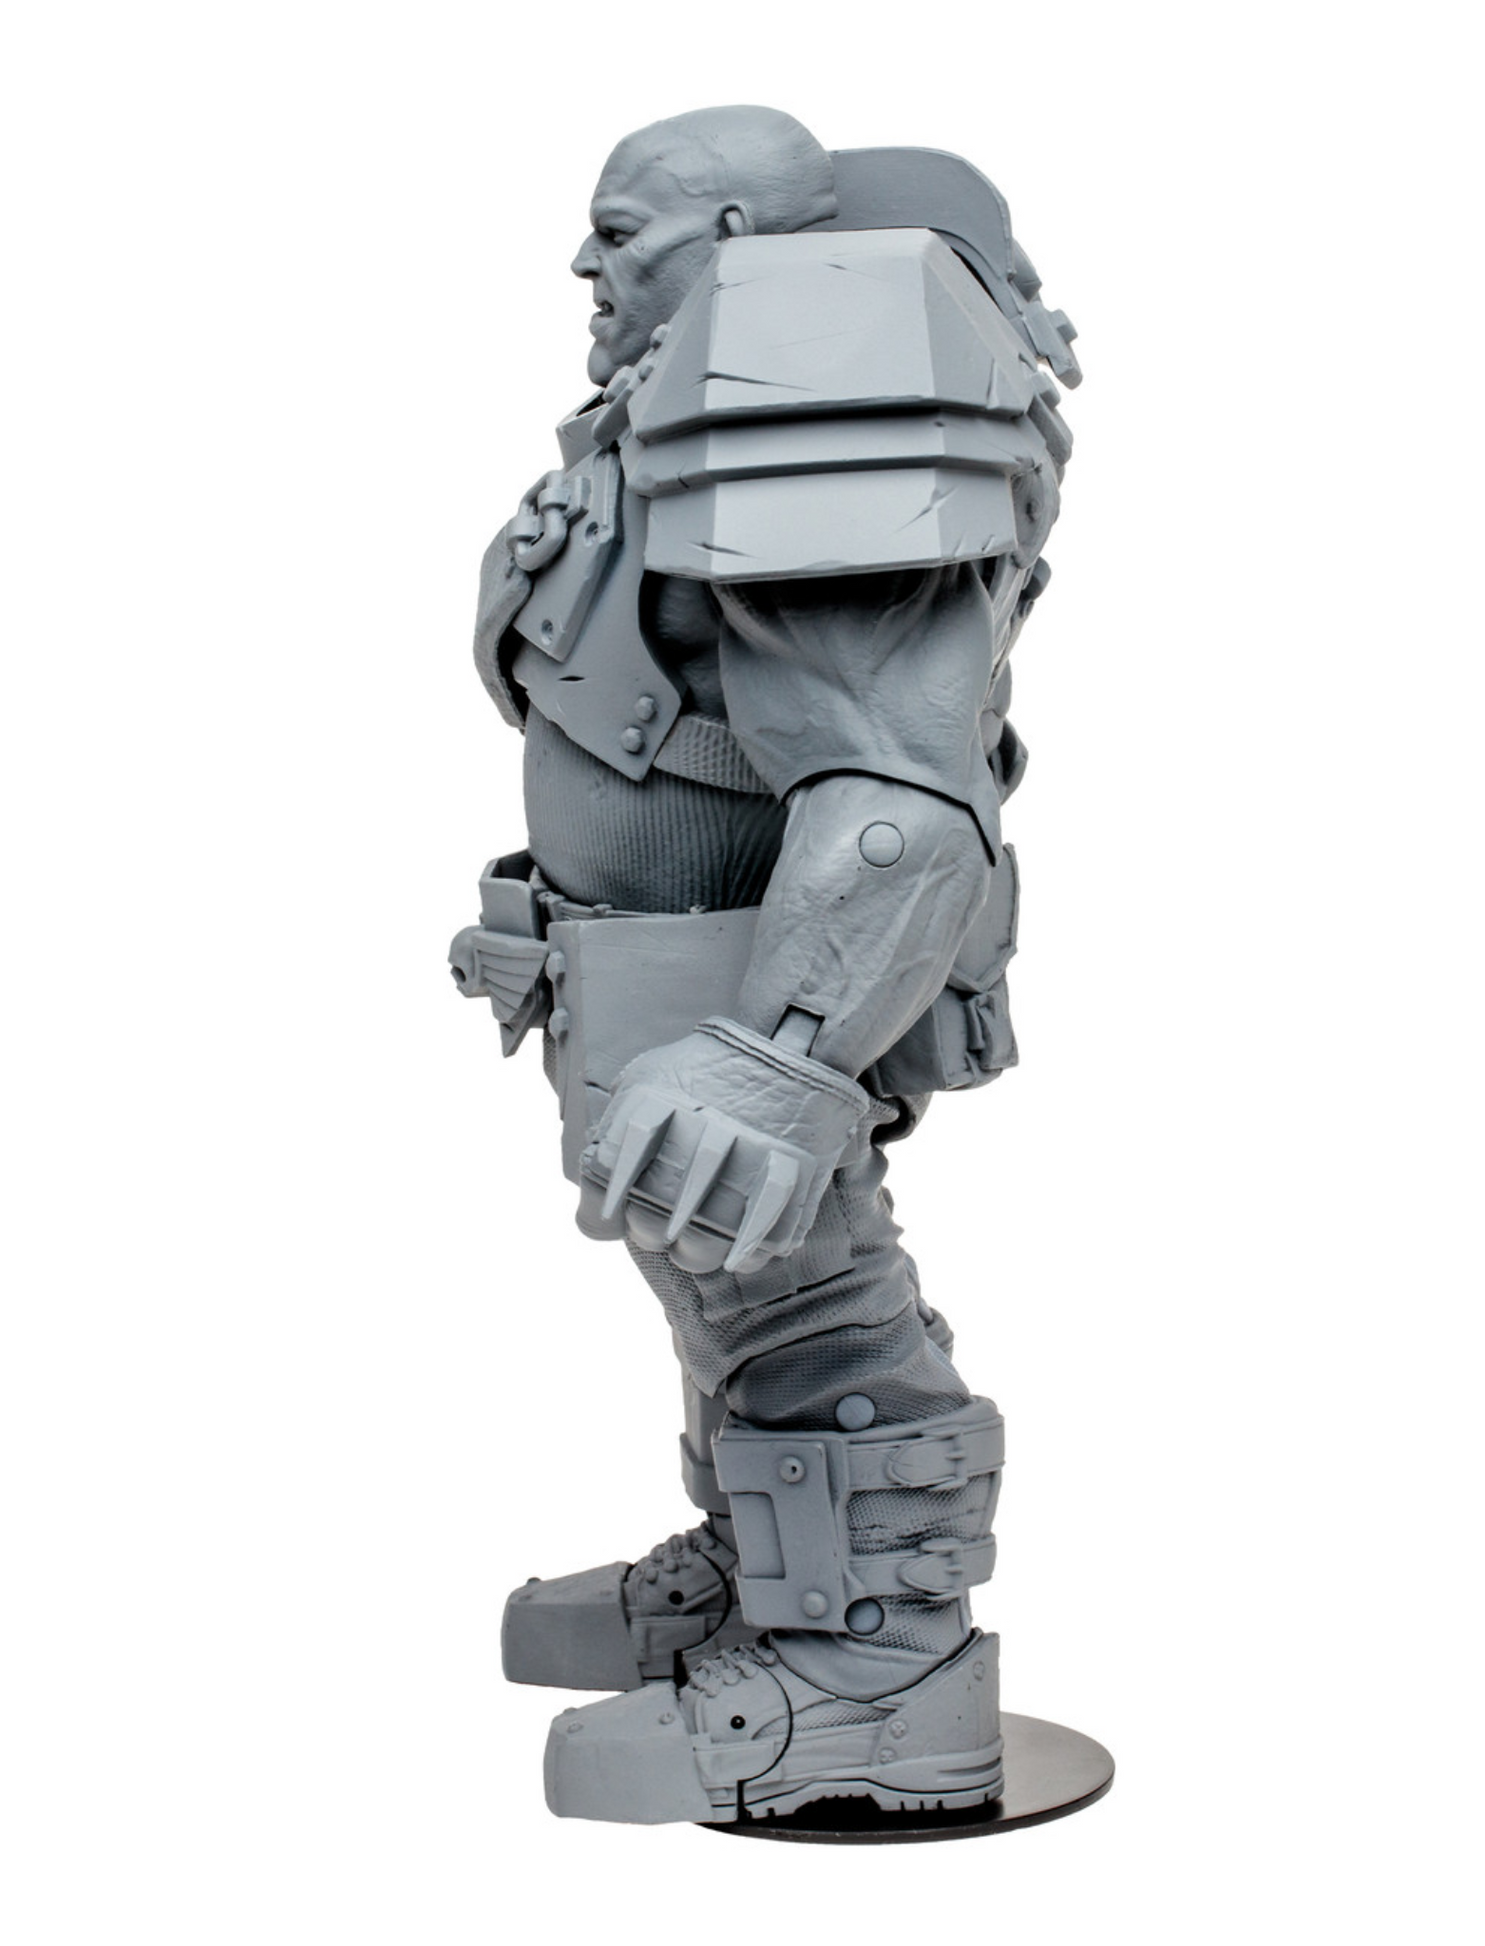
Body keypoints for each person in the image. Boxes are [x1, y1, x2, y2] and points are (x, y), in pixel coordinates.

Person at [451, 105, 1077, 1823]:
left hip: (756, 980)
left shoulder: (808, 380)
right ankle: (767, 1567)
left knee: (806, 1302)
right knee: (721, 1289)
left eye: (622, 231)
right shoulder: (680, 396)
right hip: (661, 960)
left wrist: (780, 1050)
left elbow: (892, 791)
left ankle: (877, 1672)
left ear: (731, 233)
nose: (585, 263)